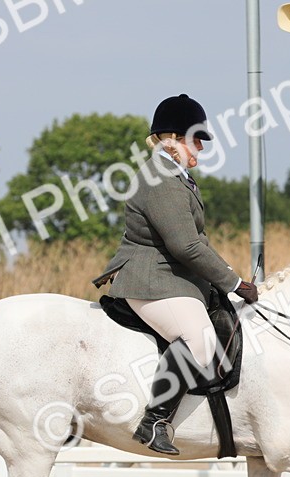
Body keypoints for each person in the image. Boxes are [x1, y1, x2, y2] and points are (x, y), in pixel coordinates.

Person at [102, 93, 259, 456]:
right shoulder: (160, 179)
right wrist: (234, 283)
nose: (201, 148)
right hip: (151, 278)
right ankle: (154, 421)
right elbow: (186, 246)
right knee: (200, 339)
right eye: (197, 139)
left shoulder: (175, 176)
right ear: (172, 138)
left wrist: (226, 279)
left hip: (170, 278)